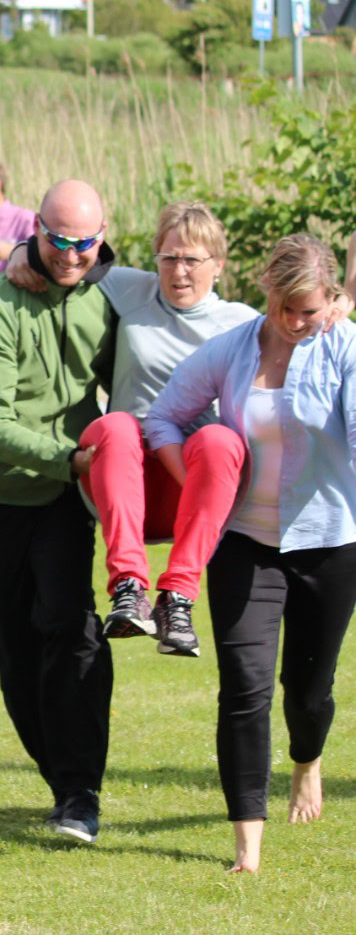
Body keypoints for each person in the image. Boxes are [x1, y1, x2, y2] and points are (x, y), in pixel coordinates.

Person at [145, 233, 356, 875]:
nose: (295, 324)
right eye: (285, 309)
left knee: (308, 690)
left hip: (330, 542)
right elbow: (163, 418)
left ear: (333, 303)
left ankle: (308, 760)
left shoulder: (346, 348)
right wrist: (203, 485)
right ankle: (248, 845)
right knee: (244, 686)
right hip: (243, 543)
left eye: (310, 313)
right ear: (267, 294)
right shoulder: (232, 348)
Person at [3, 203, 257, 656]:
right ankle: (128, 588)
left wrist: (339, 301)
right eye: (169, 258)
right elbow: (70, 258)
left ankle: (177, 598)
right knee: (116, 424)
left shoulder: (241, 324)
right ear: (155, 259)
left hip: (191, 483)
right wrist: (21, 251)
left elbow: (302, 321)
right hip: (124, 478)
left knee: (220, 438)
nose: (179, 272)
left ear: (218, 265)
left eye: (192, 260)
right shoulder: (130, 289)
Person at [0, 179, 117, 845]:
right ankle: (60, 780)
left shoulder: (115, 293)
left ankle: (79, 790)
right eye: (59, 240)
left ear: (104, 232)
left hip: (67, 499)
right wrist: (72, 458)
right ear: (37, 227)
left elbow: (184, 312)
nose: (72, 254)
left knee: (74, 628)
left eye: (86, 242)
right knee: (14, 651)